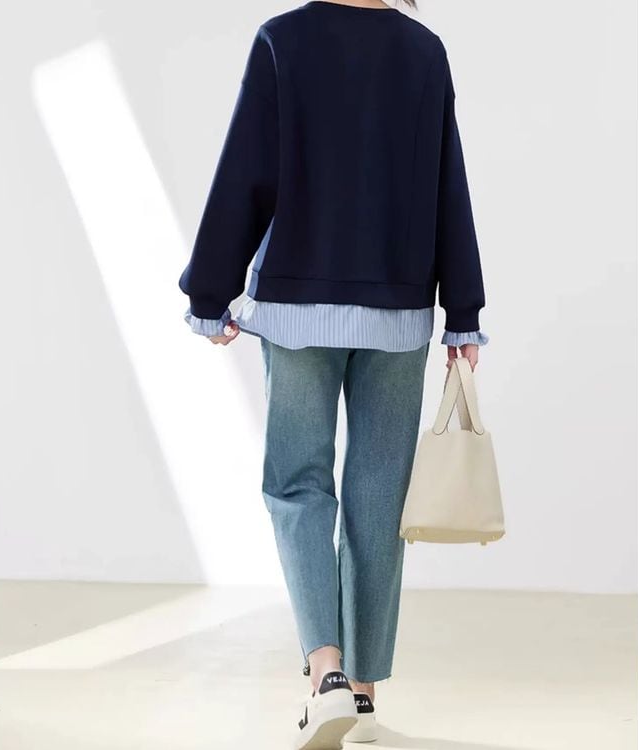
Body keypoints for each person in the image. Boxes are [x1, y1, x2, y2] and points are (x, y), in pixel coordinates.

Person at [178, 1, 488, 747]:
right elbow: (448, 182)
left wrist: (209, 291)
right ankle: (366, 693)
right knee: (379, 498)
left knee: (298, 484)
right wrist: (463, 310)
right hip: (398, 312)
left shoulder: (284, 40)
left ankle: (326, 674)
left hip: (298, 309)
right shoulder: (424, 51)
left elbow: (247, 172)